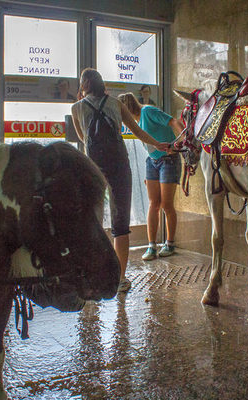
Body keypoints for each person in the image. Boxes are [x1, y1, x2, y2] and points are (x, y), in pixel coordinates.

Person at [71, 68, 170, 293]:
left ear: (84, 85)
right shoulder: (116, 103)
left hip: (93, 168)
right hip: (119, 166)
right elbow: (136, 131)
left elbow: (82, 137)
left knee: (92, 220)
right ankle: (120, 279)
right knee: (121, 223)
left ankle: (91, 275)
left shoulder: (76, 108)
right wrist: (157, 144)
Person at [118, 93, 183, 261]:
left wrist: (180, 142)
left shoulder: (148, 111)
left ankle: (169, 243)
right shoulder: (136, 121)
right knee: (154, 203)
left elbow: (173, 122)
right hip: (152, 161)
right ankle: (152, 246)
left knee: (166, 204)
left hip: (168, 160)